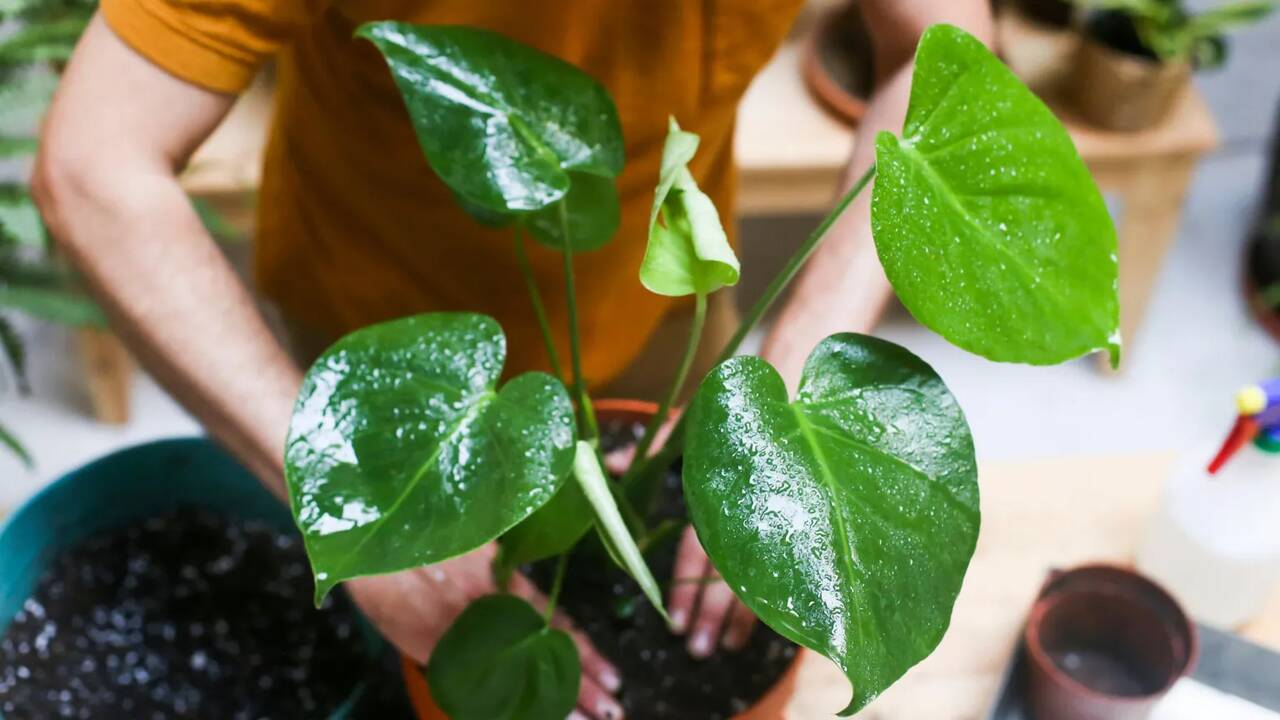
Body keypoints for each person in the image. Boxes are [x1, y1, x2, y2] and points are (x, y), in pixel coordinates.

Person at [33, 1, 992, 717]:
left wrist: (778, 402)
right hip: (389, 348)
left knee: (670, 515)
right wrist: (368, 529)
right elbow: (91, 165)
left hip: (662, 309)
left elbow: (938, 48)